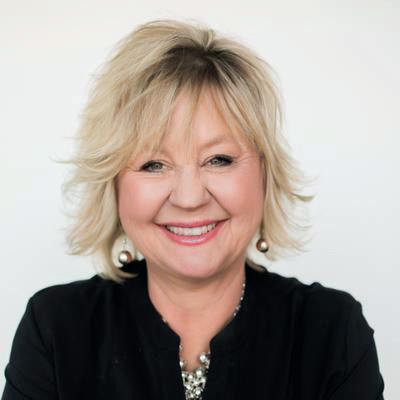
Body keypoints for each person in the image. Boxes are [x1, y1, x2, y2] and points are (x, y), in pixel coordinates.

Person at [2, 19, 385, 400]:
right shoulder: (55, 330)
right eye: (154, 164)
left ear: (265, 174)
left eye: (218, 159)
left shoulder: (332, 334)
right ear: (114, 185)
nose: (189, 198)